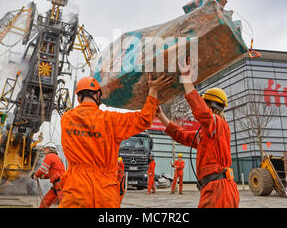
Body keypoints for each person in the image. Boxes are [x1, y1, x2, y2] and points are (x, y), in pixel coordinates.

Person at [59, 74, 173, 208]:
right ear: (97, 96)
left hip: (75, 190)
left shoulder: (66, 119)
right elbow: (144, 119)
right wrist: (153, 90)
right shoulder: (111, 120)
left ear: (78, 98)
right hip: (104, 190)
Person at [156, 58, 240, 208]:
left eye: (205, 103)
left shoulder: (218, 124)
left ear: (212, 105)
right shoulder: (206, 134)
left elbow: (202, 113)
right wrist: (161, 116)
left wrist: (186, 79)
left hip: (219, 190)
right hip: (214, 188)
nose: (203, 106)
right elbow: (181, 135)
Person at [32, 142, 66, 208]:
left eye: (45, 149)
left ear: (48, 149)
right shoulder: (57, 158)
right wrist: (43, 176)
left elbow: (43, 169)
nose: (44, 151)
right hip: (59, 184)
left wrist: (35, 176)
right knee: (46, 201)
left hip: (59, 184)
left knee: (64, 204)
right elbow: (53, 173)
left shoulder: (49, 156)